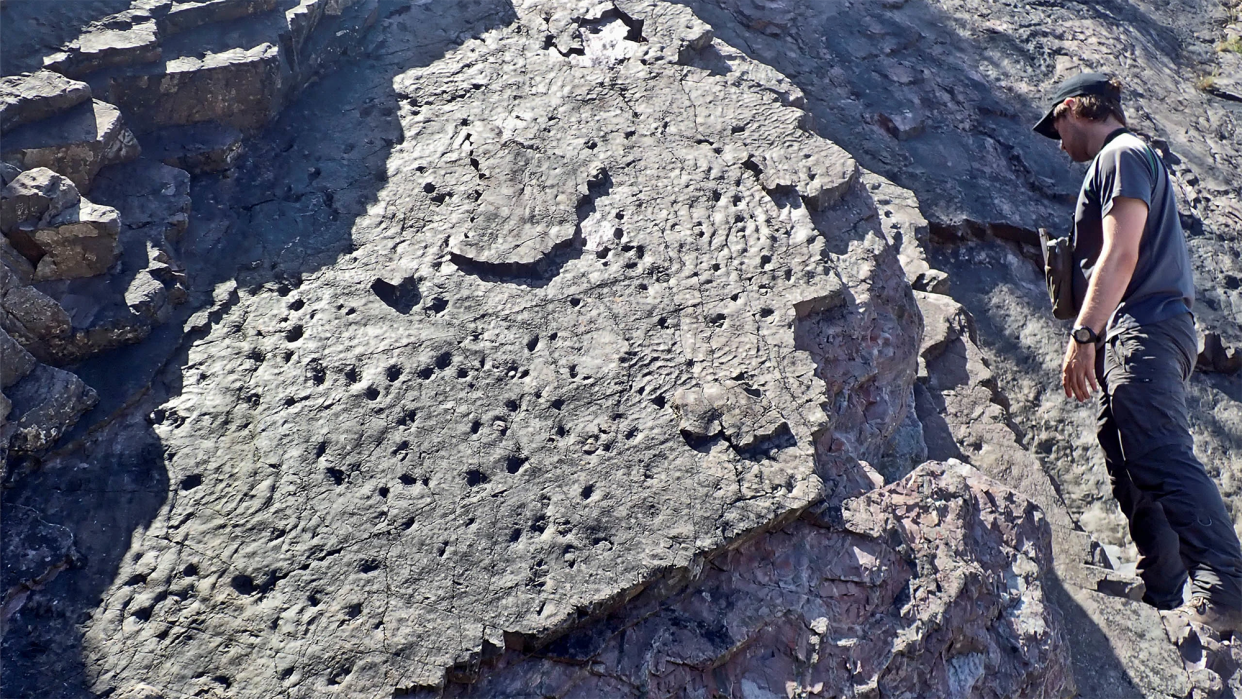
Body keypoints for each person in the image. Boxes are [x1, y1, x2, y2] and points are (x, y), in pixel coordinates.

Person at [1032, 72, 1242, 633]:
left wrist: (1084, 335)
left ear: (1073, 107)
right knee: (1129, 460)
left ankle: (1225, 586)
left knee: (1160, 455)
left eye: (1056, 127)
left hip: (1142, 327)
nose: (1059, 143)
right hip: (1149, 329)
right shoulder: (1132, 157)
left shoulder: (1120, 153)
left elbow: (1121, 253)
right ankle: (1164, 590)